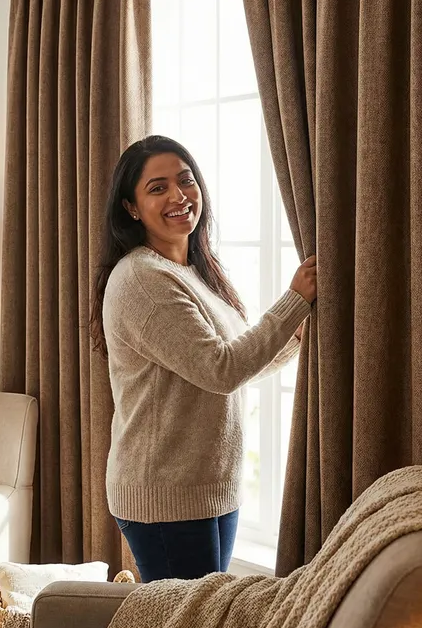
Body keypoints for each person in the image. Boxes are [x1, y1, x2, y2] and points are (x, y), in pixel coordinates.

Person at [89, 135, 317, 583]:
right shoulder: (142, 279)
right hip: (166, 496)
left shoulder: (194, 271)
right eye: (157, 188)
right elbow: (222, 370)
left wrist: (293, 337)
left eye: (185, 181)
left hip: (209, 488)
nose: (178, 195)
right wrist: (294, 300)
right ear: (131, 208)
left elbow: (232, 363)